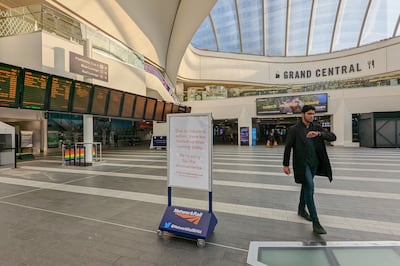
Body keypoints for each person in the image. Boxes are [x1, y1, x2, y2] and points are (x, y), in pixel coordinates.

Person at [282, 105, 336, 234]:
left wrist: (319, 134)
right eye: (309, 114)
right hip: (302, 164)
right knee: (310, 187)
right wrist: (285, 165)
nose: (312, 116)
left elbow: (333, 137)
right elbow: (288, 147)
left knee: (306, 186)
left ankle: (301, 209)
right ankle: (316, 222)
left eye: (313, 114)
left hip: (314, 164)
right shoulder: (294, 130)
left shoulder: (316, 127)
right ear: (303, 114)